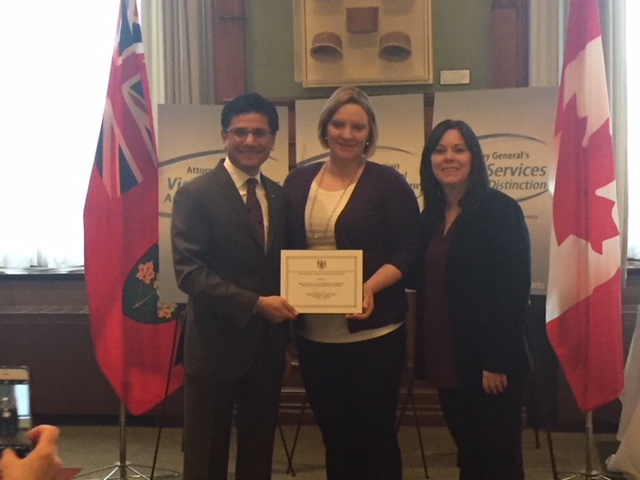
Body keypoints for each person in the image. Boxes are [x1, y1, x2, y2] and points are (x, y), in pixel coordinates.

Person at [283, 86, 420, 480]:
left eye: (357, 126)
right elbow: (286, 247)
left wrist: (370, 288)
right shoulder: (297, 181)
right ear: (325, 128)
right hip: (314, 335)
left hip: (374, 334)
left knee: (373, 436)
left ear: (369, 133)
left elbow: (408, 250)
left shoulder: (388, 183)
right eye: (339, 124)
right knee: (334, 435)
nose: (347, 133)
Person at [171, 92, 298, 480]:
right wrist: (256, 304)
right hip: (213, 345)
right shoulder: (196, 194)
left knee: (258, 451)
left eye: (259, 132)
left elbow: (282, 267)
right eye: (239, 132)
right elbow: (189, 272)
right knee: (206, 453)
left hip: (266, 346)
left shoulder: (279, 195)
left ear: (273, 138)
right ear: (224, 136)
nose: (249, 141)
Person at [415, 119, 532, 480]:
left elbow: (512, 289)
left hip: (489, 364)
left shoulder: (499, 210)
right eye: (440, 150)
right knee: (468, 452)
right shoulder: (430, 218)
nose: (448, 157)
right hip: (447, 359)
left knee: (499, 458)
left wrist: (497, 360)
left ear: (474, 158)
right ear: (429, 160)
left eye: (459, 149)